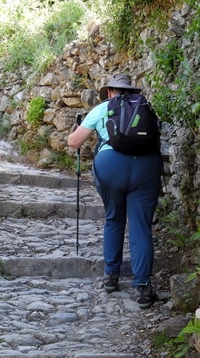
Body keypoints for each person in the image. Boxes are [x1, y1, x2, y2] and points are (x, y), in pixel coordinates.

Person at [67, 73, 163, 308]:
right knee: (141, 225)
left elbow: (74, 142)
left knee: (114, 218)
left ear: (110, 91)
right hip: (146, 167)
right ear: (130, 91)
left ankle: (111, 276)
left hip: (111, 167)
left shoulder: (102, 108)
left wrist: (76, 128)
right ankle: (142, 286)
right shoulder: (146, 108)